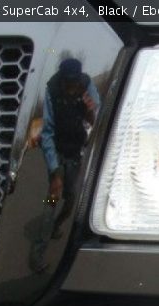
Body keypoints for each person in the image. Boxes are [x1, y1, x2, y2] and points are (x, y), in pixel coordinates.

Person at [40, 58, 100, 235]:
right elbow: (47, 133)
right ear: (62, 80)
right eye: (68, 83)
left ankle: (56, 224)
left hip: (75, 153)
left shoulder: (87, 86)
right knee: (52, 197)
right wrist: (55, 171)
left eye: (74, 82)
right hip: (57, 150)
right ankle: (41, 243)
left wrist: (90, 110)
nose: (71, 88)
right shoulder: (52, 90)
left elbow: (96, 121)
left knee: (71, 198)